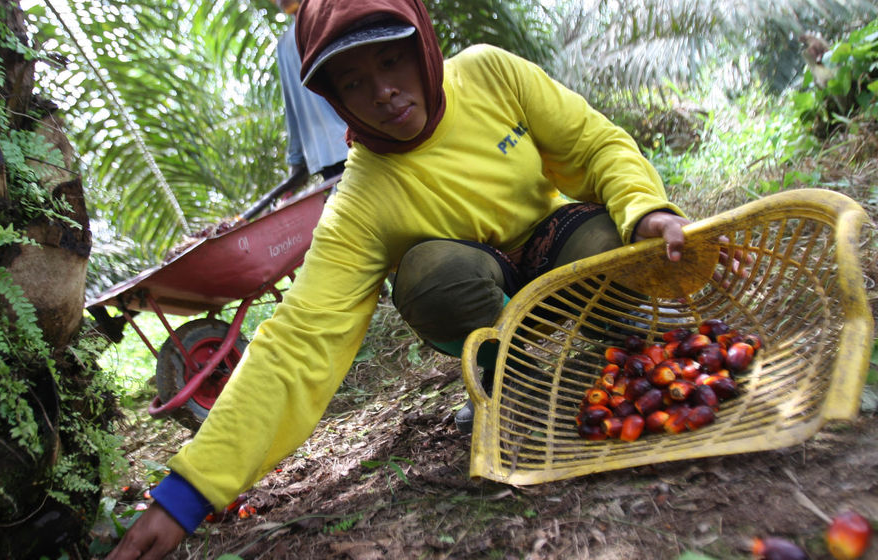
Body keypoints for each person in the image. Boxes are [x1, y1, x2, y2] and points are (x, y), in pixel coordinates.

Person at [106, 0, 693, 557]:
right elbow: (299, 344)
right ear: (334, 98)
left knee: (605, 244)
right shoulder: (360, 201)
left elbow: (594, 144)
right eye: (353, 82)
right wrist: (187, 495)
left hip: (554, 246)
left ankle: (645, 346)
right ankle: (513, 387)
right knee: (431, 276)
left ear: (423, 47)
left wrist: (648, 210)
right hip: (479, 295)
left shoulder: (491, 74)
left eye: (390, 61)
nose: (383, 93)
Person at [273, 0, 348, 193]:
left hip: (333, 154)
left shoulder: (286, 45)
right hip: (357, 143)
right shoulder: (286, 45)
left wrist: (297, 162)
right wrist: (297, 160)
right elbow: (293, 110)